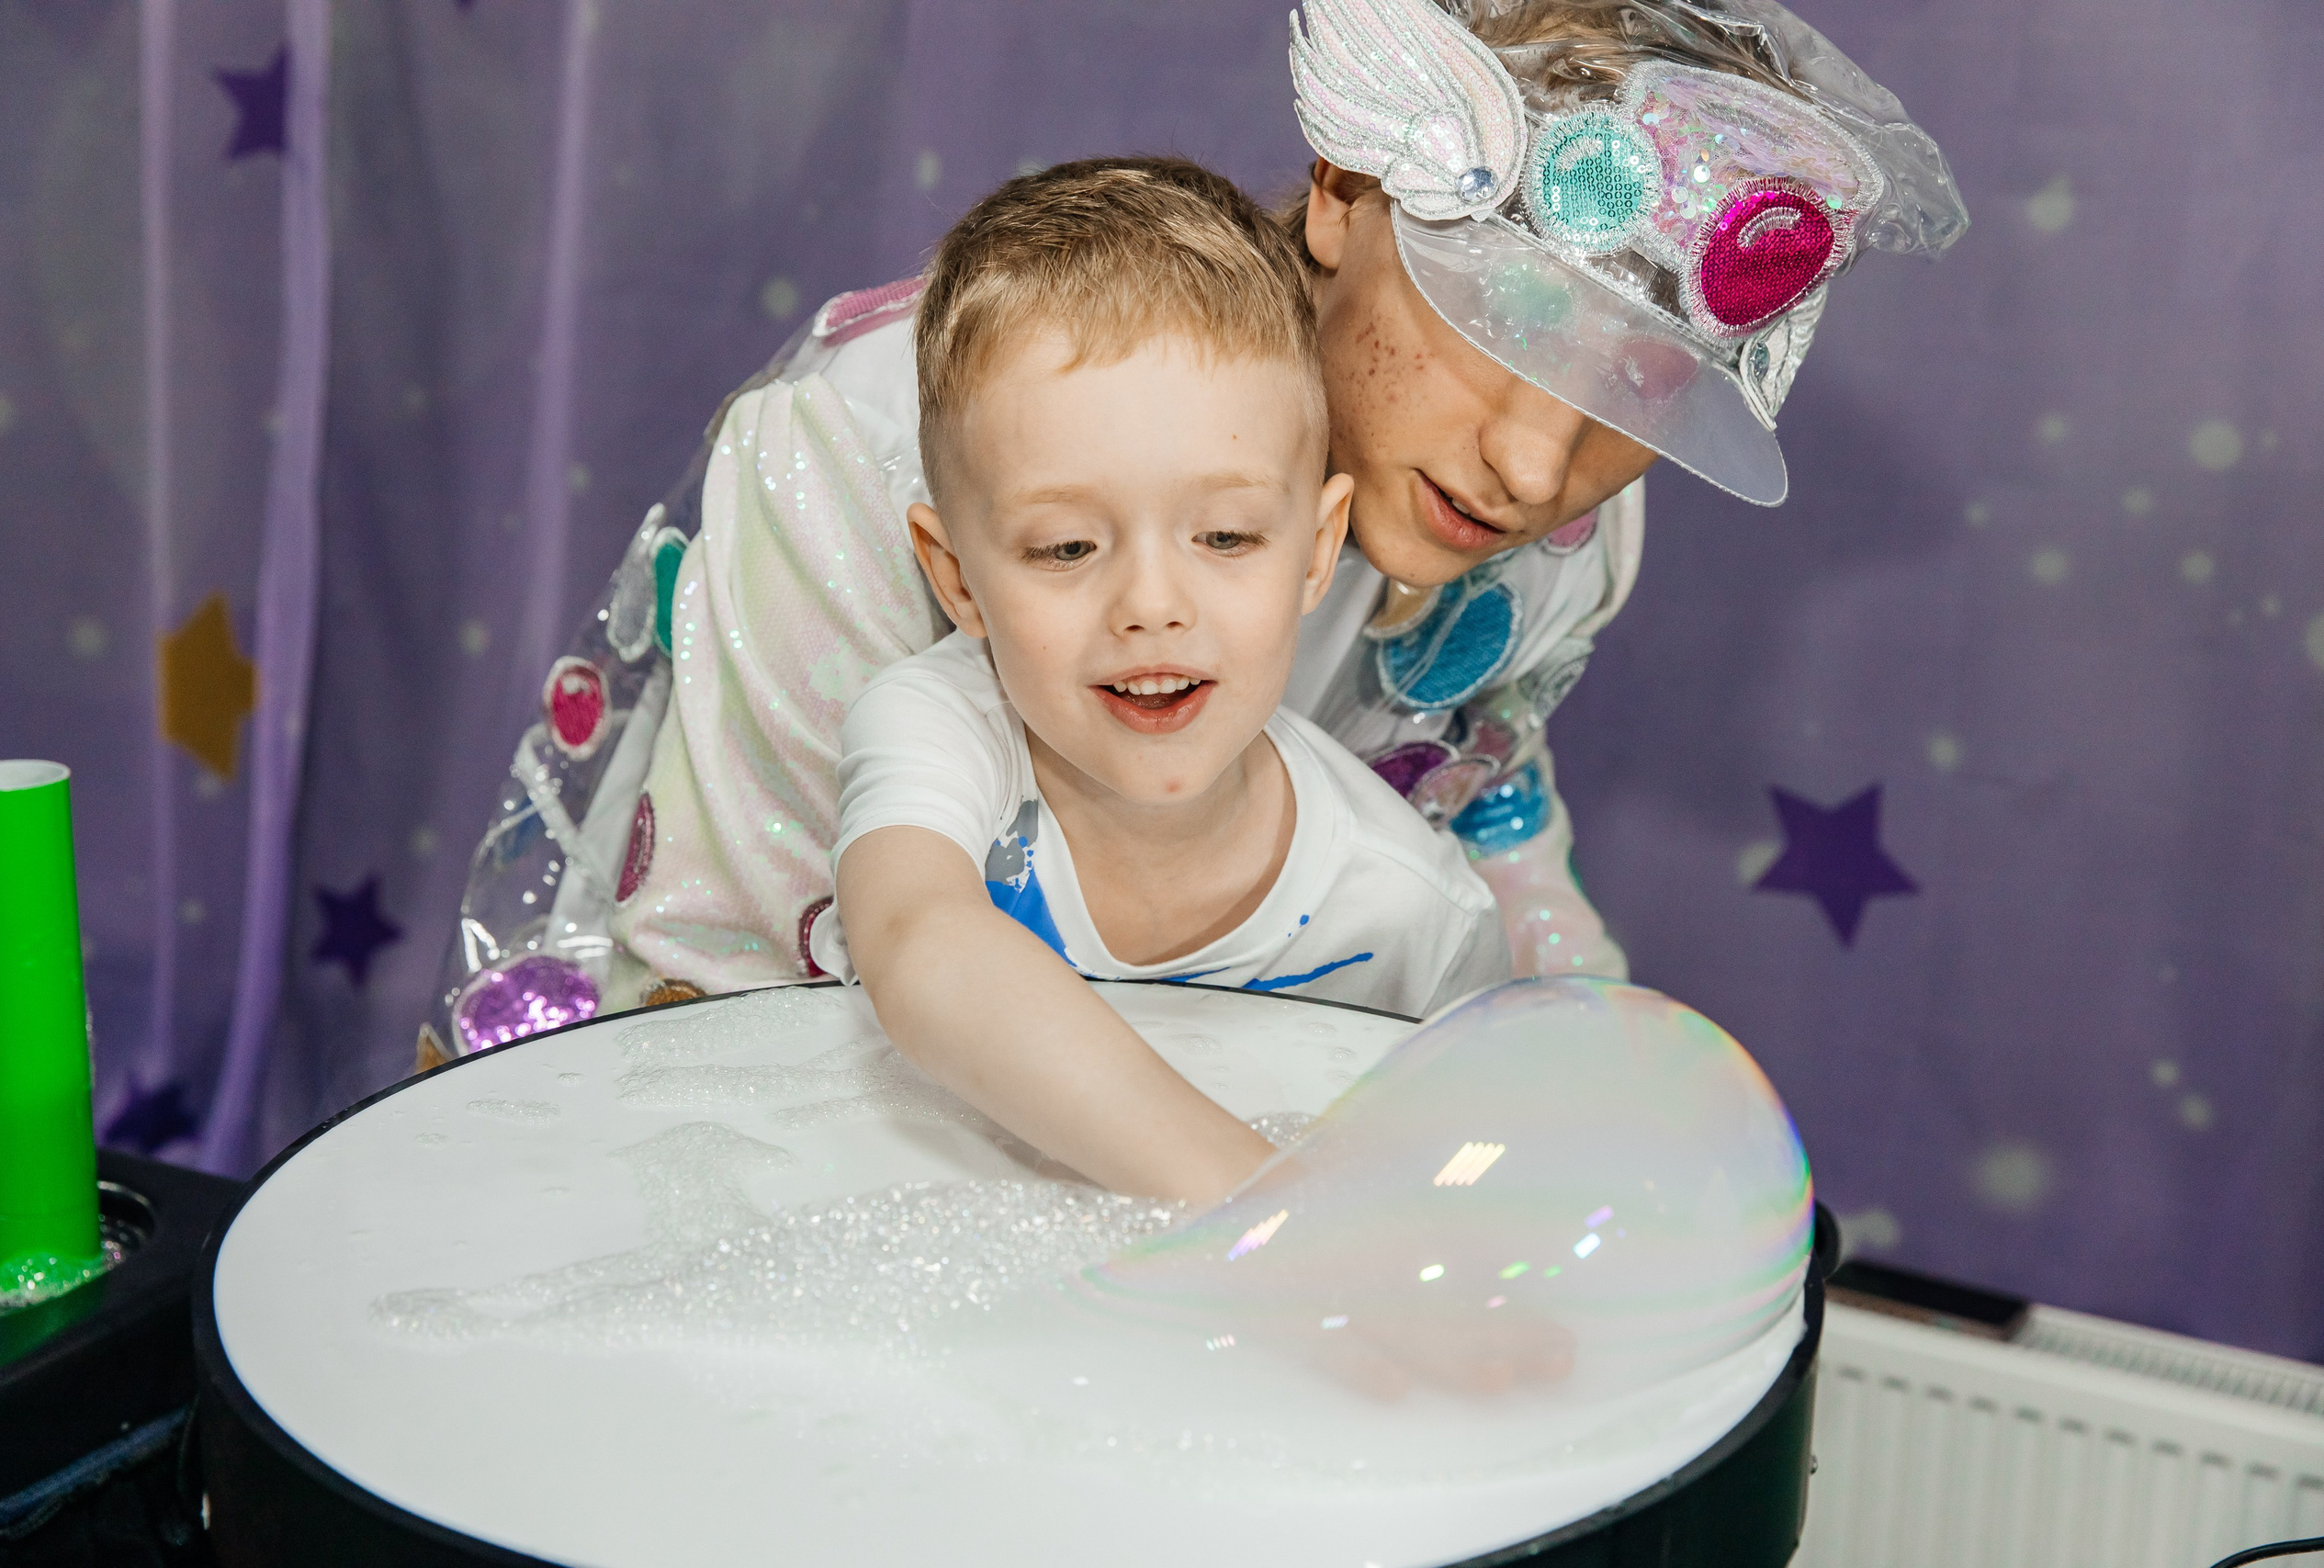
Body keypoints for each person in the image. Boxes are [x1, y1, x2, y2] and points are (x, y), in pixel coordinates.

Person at [419, 0, 1965, 1067]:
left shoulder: (1562, 549)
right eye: (1503, 332)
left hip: (1172, 1081)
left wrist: (1593, 1078)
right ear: (1349, 200)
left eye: (1634, 389)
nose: (1533, 461)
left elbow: (1472, 797)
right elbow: (739, 968)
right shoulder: (875, 440)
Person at [815, 162, 1511, 1203]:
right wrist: (1261, 1211)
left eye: (1224, 536)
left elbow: (1472, 1195)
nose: (1150, 605)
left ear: (1315, 550)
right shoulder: (941, 731)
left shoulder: (1411, 916)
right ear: (956, 577)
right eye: (1064, 548)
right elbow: (921, 944)